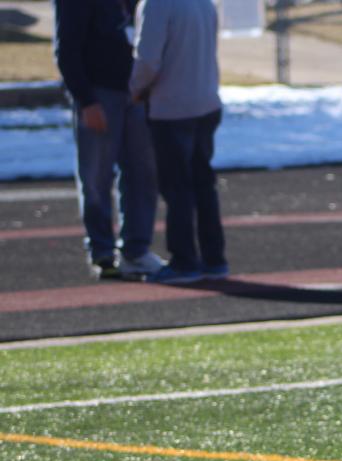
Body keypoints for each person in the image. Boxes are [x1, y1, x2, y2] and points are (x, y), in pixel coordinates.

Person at [53, 0, 163, 280]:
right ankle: (102, 250)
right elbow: (66, 49)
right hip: (100, 94)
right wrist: (86, 101)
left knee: (142, 173)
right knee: (96, 177)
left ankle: (136, 250)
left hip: (137, 91)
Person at [127, 0, 227, 284]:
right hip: (205, 99)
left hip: (172, 105)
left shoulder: (156, 4)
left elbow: (147, 59)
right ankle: (213, 257)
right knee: (202, 184)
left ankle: (185, 261)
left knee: (177, 187)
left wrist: (135, 89)